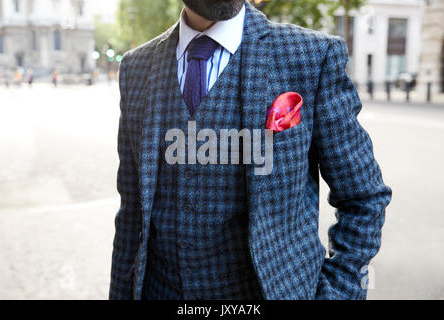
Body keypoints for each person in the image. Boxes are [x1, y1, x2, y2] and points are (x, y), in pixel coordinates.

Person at [109, 0, 392, 300]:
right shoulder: (135, 69)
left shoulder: (310, 57)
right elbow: (131, 216)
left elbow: (363, 197)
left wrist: (339, 292)